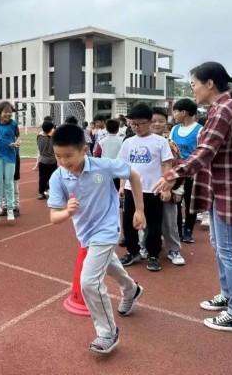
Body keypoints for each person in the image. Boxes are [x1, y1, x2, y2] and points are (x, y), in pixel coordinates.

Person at [154, 61, 232, 333]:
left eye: (194, 85)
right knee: (219, 245)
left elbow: (204, 151)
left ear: (209, 83)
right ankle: (229, 295)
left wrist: (173, 174)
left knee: (230, 251)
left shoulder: (224, 109)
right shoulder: (222, 108)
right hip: (220, 189)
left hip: (229, 190)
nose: (193, 90)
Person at [48, 123, 146, 355]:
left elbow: (133, 173)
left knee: (89, 282)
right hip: (86, 233)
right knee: (109, 264)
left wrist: (139, 209)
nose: (63, 162)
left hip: (107, 229)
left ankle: (107, 332)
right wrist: (67, 212)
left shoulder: (103, 167)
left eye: (68, 156)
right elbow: (54, 217)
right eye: (58, 156)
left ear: (84, 150)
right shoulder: (58, 177)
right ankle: (131, 289)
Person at [118, 103, 173, 272]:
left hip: (153, 190)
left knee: (154, 224)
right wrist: (121, 186)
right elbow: (123, 166)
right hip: (131, 190)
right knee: (128, 223)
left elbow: (167, 164)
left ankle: (153, 255)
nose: (136, 127)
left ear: (149, 121)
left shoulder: (160, 142)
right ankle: (133, 251)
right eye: (132, 124)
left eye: (139, 123)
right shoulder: (128, 142)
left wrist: (166, 187)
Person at [150, 108, 185, 265]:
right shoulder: (138, 142)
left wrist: (177, 189)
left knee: (169, 222)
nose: (157, 124)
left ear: (166, 123)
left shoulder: (171, 144)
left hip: (166, 190)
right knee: (146, 222)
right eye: (153, 120)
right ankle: (145, 247)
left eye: (161, 121)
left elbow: (179, 168)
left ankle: (174, 249)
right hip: (147, 190)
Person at [170, 98, 203, 243]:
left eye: (175, 111)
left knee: (190, 202)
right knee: (175, 202)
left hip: (192, 173)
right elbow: (170, 148)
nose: (174, 114)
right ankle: (177, 229)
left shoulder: (200, 130)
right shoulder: (174, 129)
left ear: (184, 112)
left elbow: (201, 152)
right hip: (177, 172)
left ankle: (188, 230)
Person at [0, 101, 20, 222]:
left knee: (9, 183)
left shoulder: (13, 124)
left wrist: (17, 143)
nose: (8, 114)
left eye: (10, 112)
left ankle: (10, 209)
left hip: (10, 155)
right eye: (6, 112)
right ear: (0, 112)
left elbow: (18, 137)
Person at [93, 118, 124, 190]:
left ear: (106, 129)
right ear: (117, 129)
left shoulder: (101, 142)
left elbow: (97, 155)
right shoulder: (123, 141)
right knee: (117, 189)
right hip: (119, 169)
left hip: (105, 169)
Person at [36, 119, 56, 200]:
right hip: (52, 161)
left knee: (42, 177)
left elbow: (42, 133)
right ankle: (52, 192)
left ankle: (40, 193)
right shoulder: (54, 138)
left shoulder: (39, 137)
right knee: (53, 177)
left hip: (42, 160)